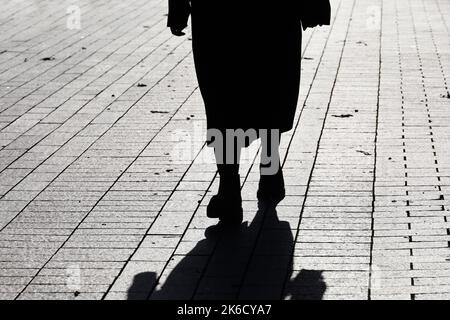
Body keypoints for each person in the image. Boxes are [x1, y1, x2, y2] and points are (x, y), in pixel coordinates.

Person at [168, 0, 331, 225]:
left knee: (223, 99)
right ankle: (270, 166)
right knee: (271, 90)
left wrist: (178, 10)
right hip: (274, 13)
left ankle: (229, 189)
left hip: (218, 16)